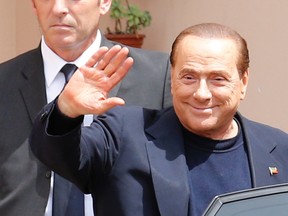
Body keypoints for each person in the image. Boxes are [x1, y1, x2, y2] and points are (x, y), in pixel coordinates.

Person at [29, 22, 288, 216]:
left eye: (218, 78)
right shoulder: (125, 133)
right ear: (172, 78)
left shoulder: (277, 148)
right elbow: (60, 156)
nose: (201, 93)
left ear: (243, 82)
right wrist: (66, 109)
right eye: (188, 77)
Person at [0, 0, 172, 215]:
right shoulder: (4, 82)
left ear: (104, 3)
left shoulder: (158, 74)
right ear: (34, 5)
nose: (58, 8)